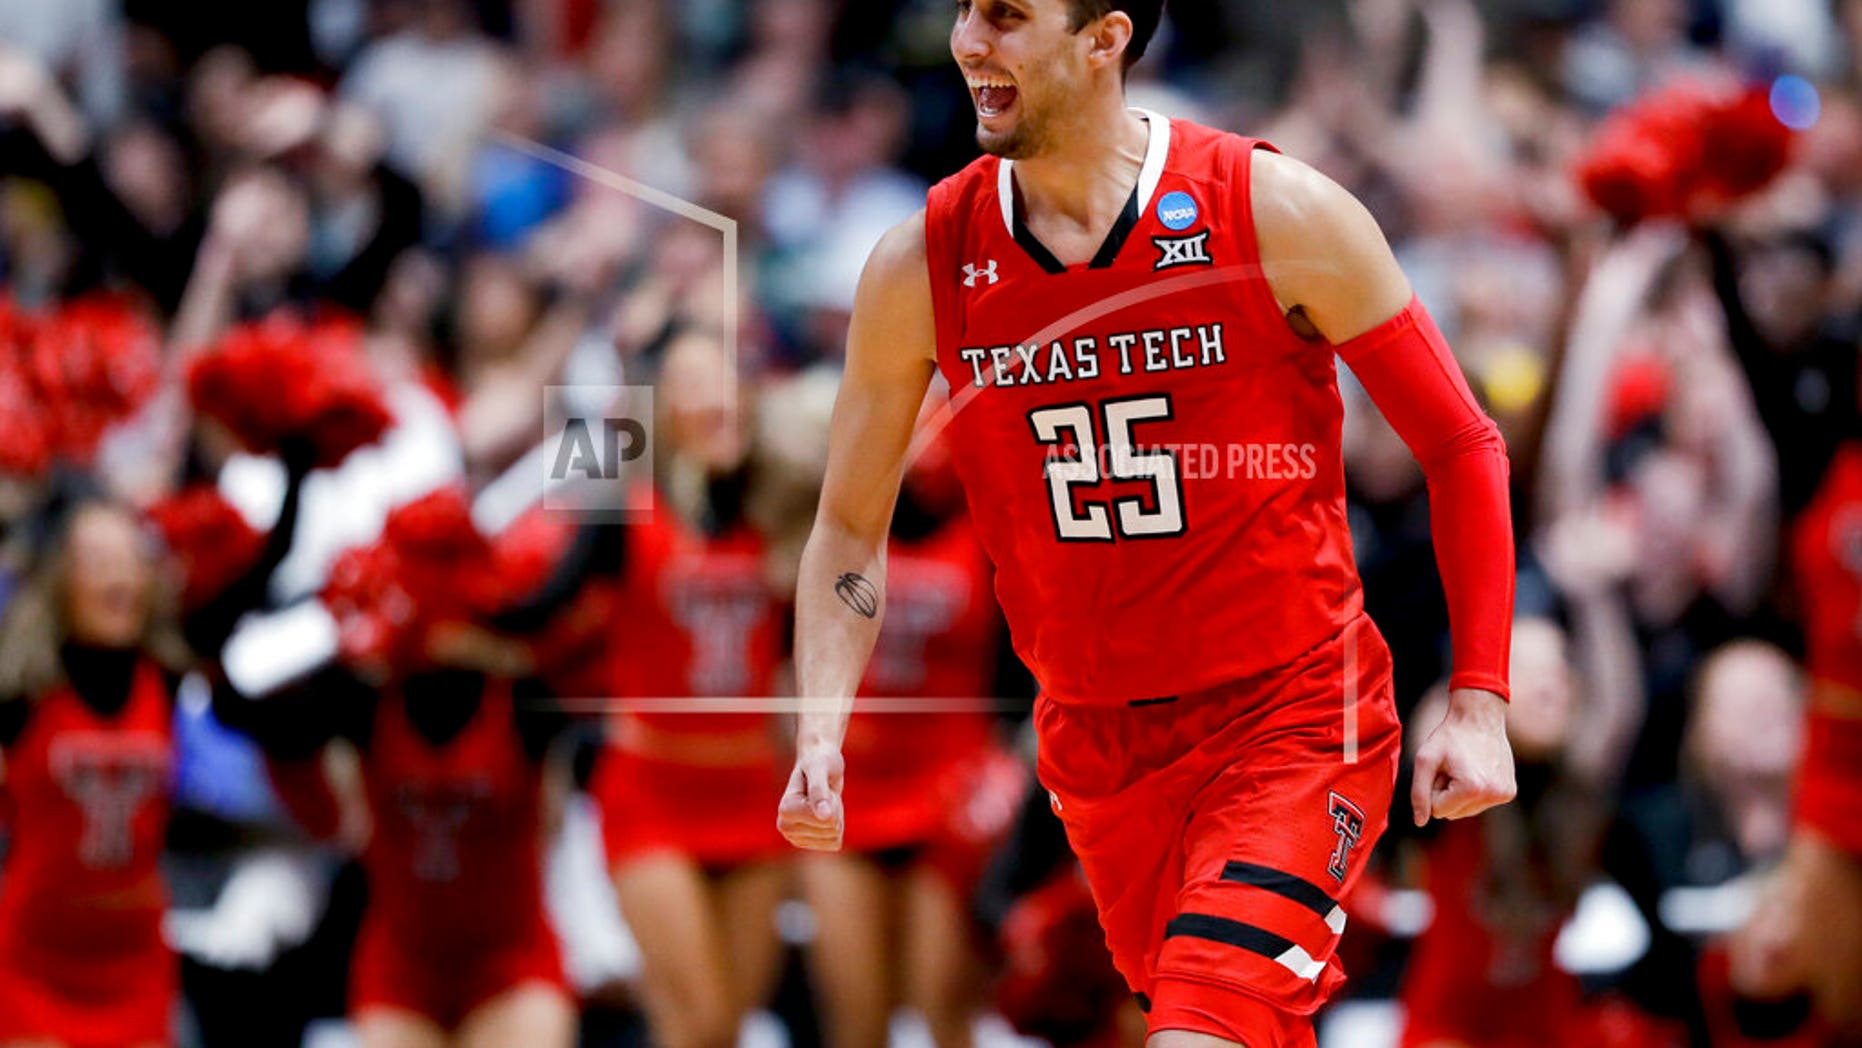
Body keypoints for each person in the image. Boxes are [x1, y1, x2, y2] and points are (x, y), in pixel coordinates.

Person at [776, 2, 1519, 1046]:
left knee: (1199, 1030)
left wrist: (1480, 696)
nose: (966, 40)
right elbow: (849, 528)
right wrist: (820, 729)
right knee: (1213, 1023)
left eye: (1005, 14)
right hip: (1095, 743)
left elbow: (1460, 443)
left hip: (1295, 714)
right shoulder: (922, 265)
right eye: (963, 11)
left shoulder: (1270, 209)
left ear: (1103, 37)